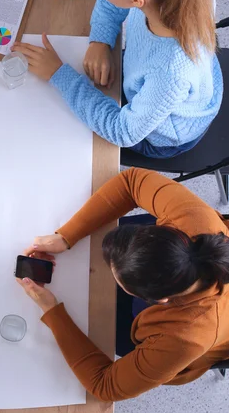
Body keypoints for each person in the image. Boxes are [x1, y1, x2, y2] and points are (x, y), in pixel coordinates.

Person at [17, 168, 229, 401]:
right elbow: (132, 182)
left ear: (159, 301)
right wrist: (67, 236)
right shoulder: (194, 218)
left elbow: (105, 385)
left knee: (108, 332)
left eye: (114, 275)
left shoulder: (183, 338)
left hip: (195, 335)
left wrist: (51, 311)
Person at [13, 0, 222, 158]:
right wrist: (100, 40)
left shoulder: (169, 73)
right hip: (157, 81)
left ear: (136, 0)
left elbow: (122, 131)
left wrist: (58, 74)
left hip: (163, 135)